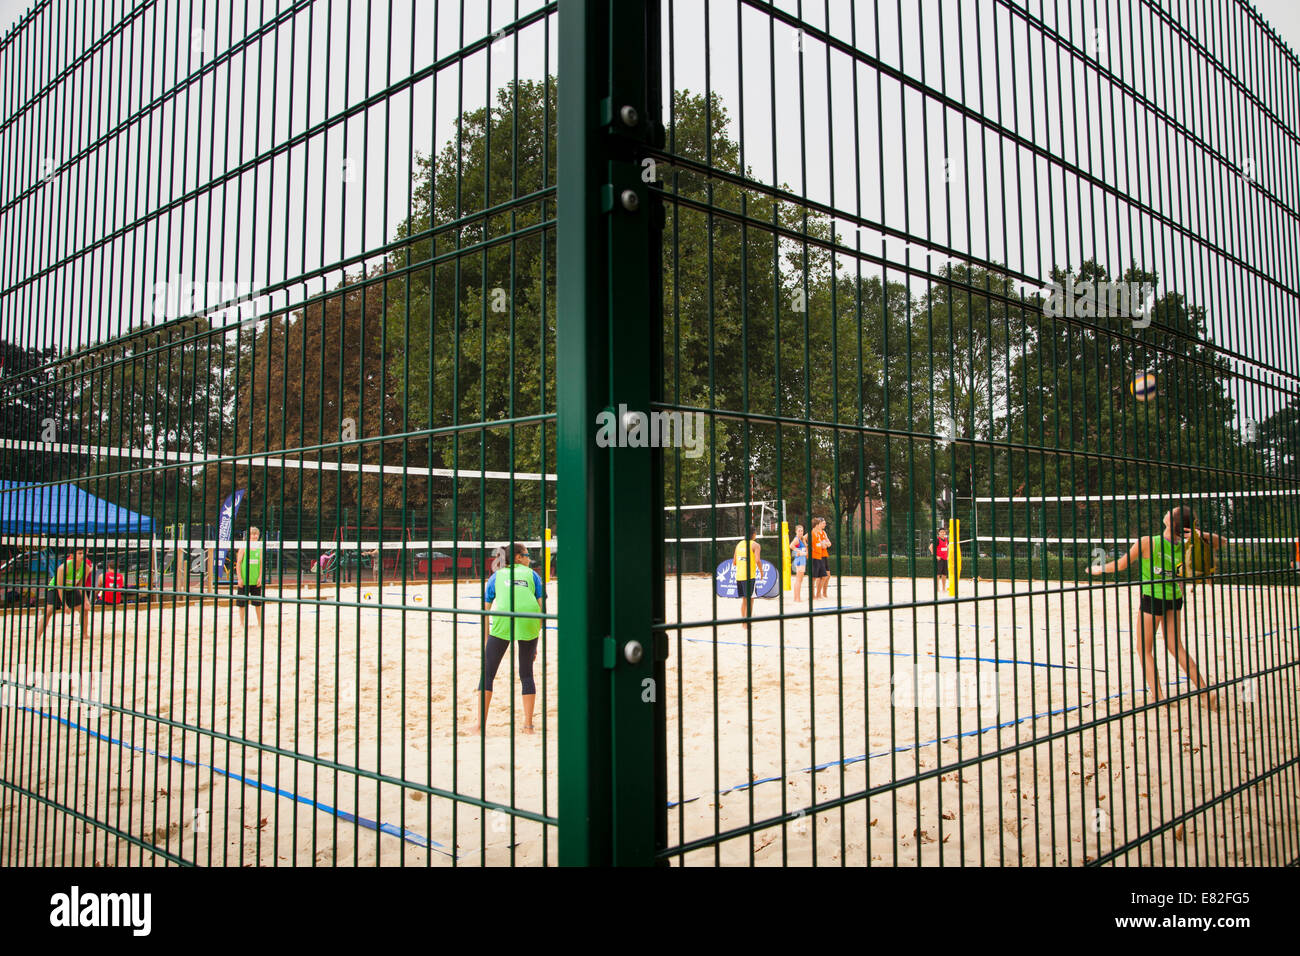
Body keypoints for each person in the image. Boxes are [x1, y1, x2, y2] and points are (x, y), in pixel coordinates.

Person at [1090, 505, 1224, 710]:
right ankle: (1204, 691)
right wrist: (1198, 534)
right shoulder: (1187, 545)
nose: (1167, 511)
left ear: (1172, 522)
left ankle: (1159, 696)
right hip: (1174, 599)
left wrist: (1099, 569)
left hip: (1152, 599)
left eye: (1171, 511)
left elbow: (1121, 564)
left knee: (1144, 649)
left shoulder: (1148, 542)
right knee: (1175, 646)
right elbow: (1221, 541)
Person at [468, 542, 545, 735]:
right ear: (518, 558)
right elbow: (542, 609)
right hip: (530, 622)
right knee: (526, 673)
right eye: (527, 555)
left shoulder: (496, 577)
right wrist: (535, 639)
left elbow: (485, 611)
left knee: (487, 674)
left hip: (503, 623)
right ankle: (528, 726)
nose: (530, 559)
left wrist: (487, 638)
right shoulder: (534, 576)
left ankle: (480, 726)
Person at [34, 545, 94, 640]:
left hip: (71, 589)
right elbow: (60, 587)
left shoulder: (86, 567)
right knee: (49, 610)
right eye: (79, 553)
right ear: (73, 555)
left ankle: (84, 635)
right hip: (55, 588)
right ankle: (37, 636)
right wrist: (65, 605)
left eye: (84, 553)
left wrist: (86, 601)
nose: (82, 555)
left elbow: (81, 586)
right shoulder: (64, 567)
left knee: (84, 609)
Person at [234, 527, 265, 630]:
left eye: (256, 534)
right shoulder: (243, 547)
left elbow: (261, 564)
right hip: (244, 580)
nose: (255, 536)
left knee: (258, 603)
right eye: (253, 534)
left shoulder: (259, 548)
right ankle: (242, 623)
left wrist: (260, 577)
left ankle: (260, 623)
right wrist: (239, 578)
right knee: (242, 604)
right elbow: (238, 563)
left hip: (255, 580)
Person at [733, 529, 761, 633]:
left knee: (744, 600)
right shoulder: (755, 545)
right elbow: (757, 560)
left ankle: (743, 622)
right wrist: (761, 572)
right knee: (750, 600)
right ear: (753, 534)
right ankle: (747, 623)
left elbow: (734, 562)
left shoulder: (739, 544)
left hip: (739, 576)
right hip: (749, 576)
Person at [810, 517, 832, 601]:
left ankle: (822, 593)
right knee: (819, 576)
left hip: (823, 555)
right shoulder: (814, 532)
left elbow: (829, 543)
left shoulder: (823, 532)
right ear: (818, 524)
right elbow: (821, 544)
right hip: (818, 556)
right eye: (823, 523)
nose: (824, 524)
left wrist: (825, 544)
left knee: (826, 575)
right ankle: (817, 594)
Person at [790, 524, 808, 602]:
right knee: (798, 580)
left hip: (802, 560)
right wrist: (798, 551)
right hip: (799, 560)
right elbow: (791, 546)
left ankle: (797, 597)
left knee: (800, 580)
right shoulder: (797, 539)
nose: (801, 532)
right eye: (799, 531)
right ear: (796, 531)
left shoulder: (802, 539)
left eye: (802, 531)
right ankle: (797, 598)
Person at [931, 527, 950, 595]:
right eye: (941, 532)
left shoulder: (946, 539)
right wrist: (936, 556)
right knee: (937, 574)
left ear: (945, 533)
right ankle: (937, 588)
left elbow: (947, 548)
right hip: (939, 559)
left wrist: (947, 555)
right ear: (939, 533)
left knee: (944, 574)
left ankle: (944, 588)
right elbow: (930, 547)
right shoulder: (937, 539)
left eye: (944, 532)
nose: (942, 533)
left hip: (945, 559)